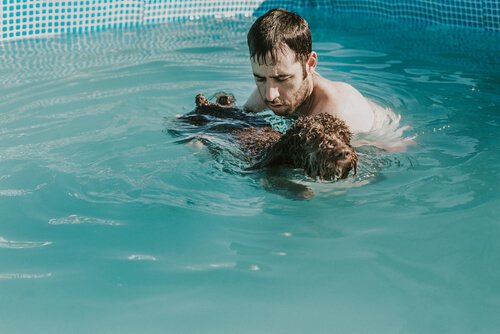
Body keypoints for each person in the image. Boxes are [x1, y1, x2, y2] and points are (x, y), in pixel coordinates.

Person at [244, 8, 376, 134]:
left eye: (282, 78)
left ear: (310, 64)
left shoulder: (339, 112)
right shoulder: (271, 88)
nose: (270, 96)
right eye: (260, 78)